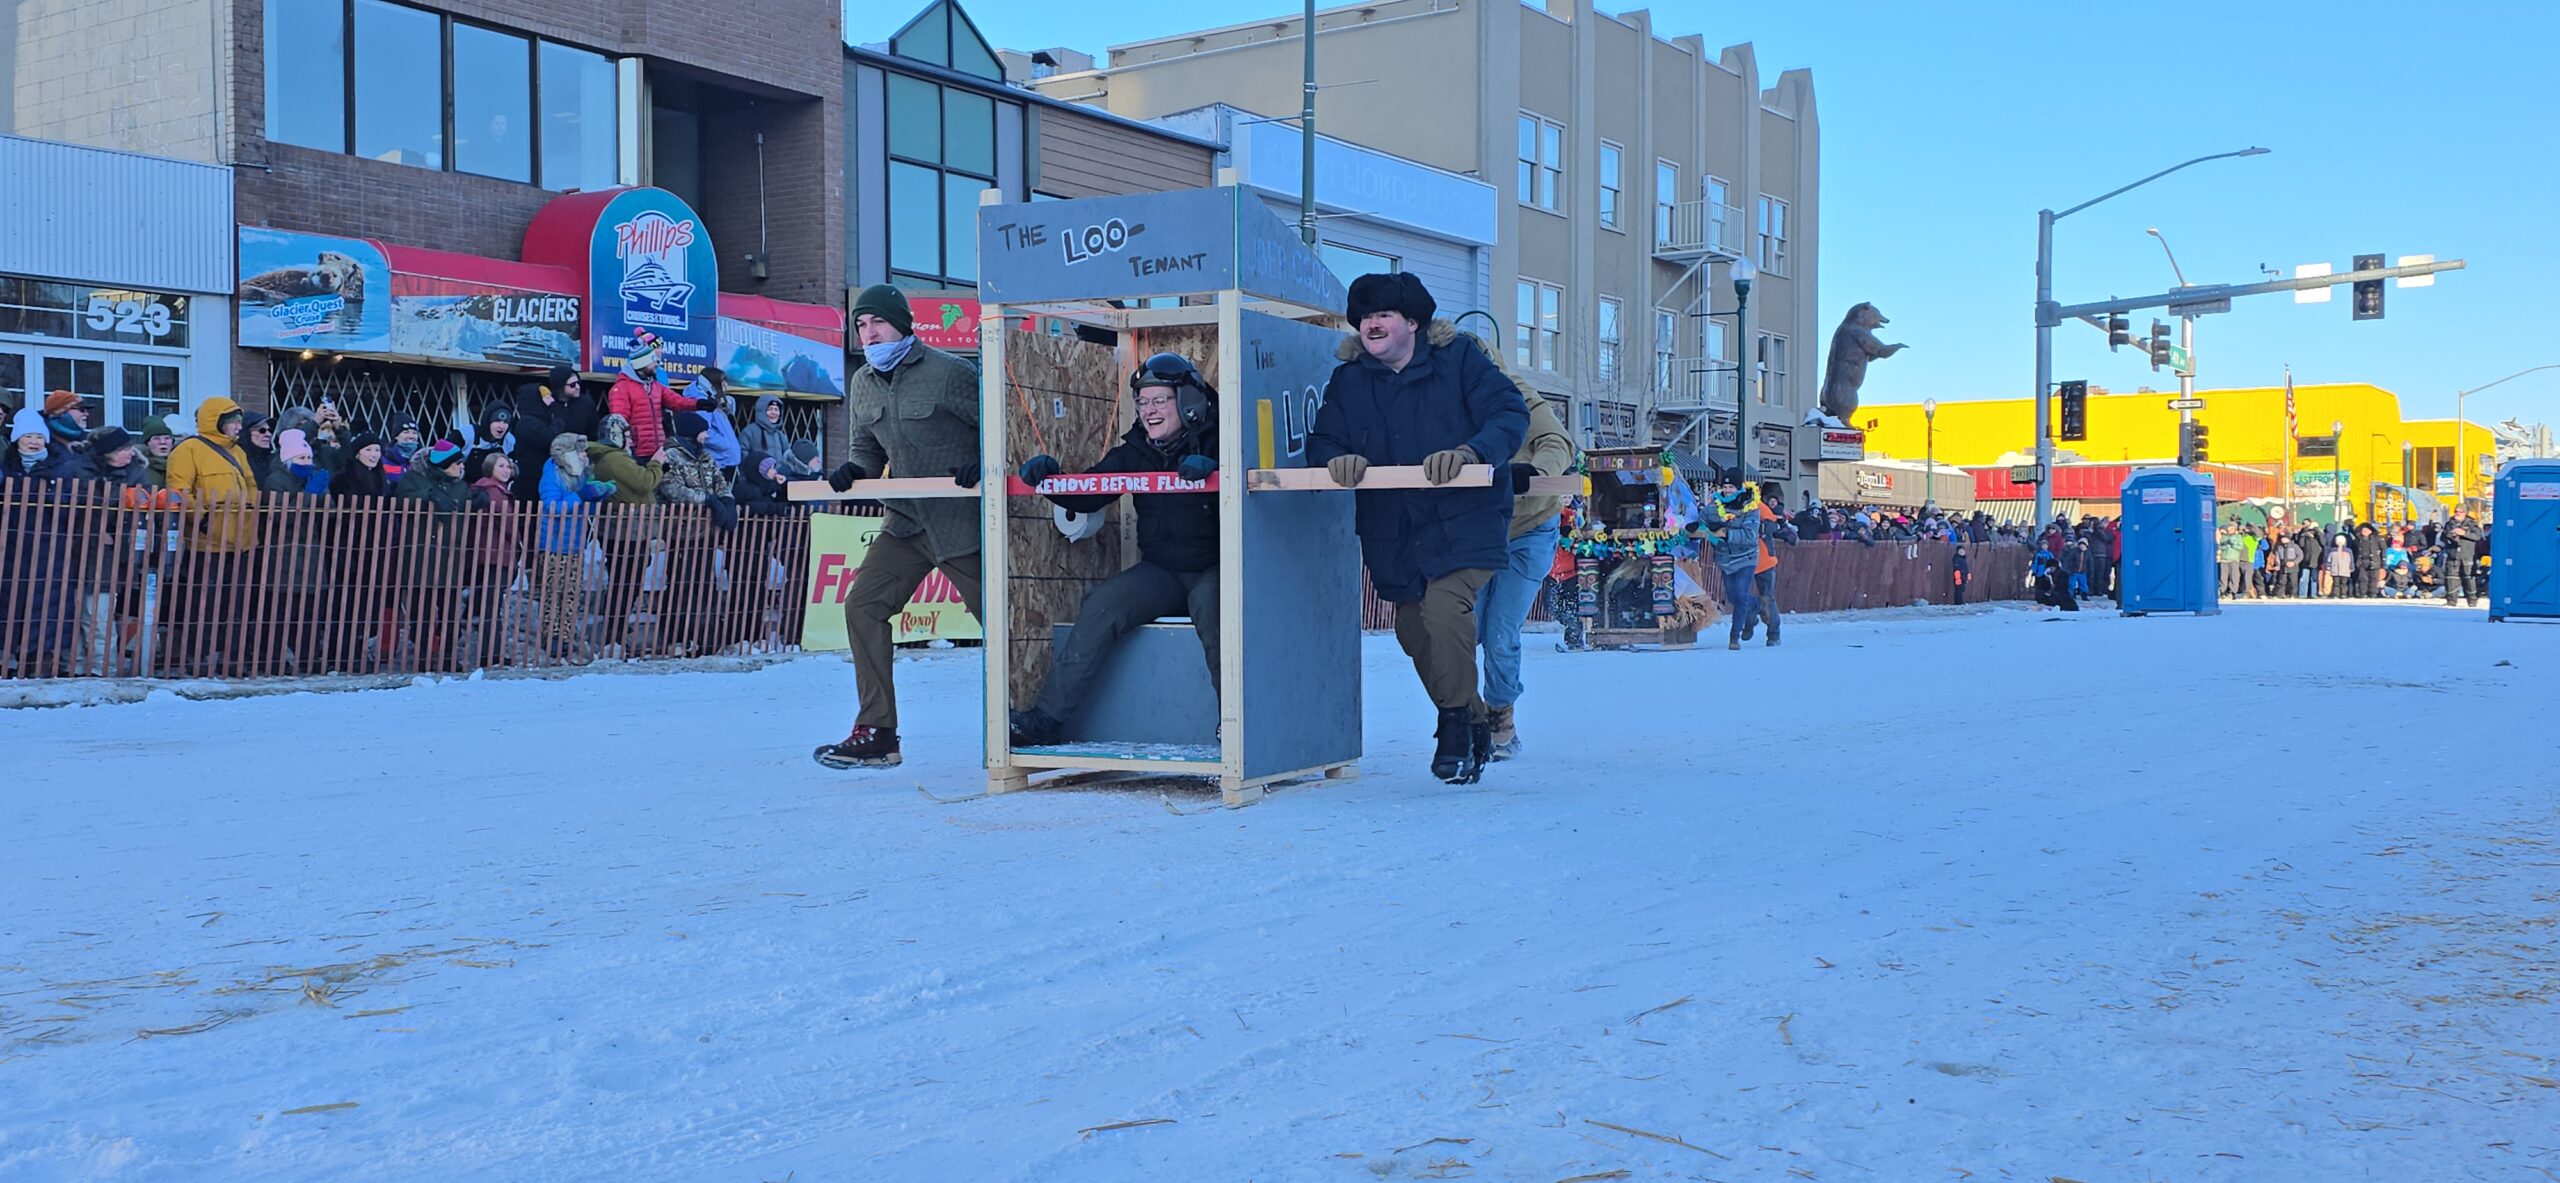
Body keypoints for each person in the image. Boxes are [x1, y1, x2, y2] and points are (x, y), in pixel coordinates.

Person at [1307, 272, 1527, 785]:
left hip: (1464, 522)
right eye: (1364, 317)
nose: (1371, 325)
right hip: (1394, 532)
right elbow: (1323, 440)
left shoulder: (1462, 360)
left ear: (1413, 322)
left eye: (1383, 315)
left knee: (1444, 606)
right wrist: (1336, 459)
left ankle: (1452, 724)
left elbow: (1509, 415)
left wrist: (1471, 452)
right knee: (1411, 626)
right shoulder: (1351, 379)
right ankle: (1473, 717)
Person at [1006, 352, 1224, 748]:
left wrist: (1216, 469)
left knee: (1214, 607)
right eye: (1142, 402)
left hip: (1216, 568)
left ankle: (1235, 721)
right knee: (1103, 604)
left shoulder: (1225, 436)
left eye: (1160, 400)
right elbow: (1090, 494)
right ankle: (1047, 720)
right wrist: (1049, 479)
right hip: (1162, 572)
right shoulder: (1135, 449)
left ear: (1189, 401)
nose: (1149, 411)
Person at [815, 285, 987, 770]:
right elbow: (866, 452)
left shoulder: (950, 372)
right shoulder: (863, 384)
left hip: (959, 525)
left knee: (1000, 621)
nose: (869, 334)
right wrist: (854, 472)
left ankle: (1031, 719)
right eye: (861, 326)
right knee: (863, 605)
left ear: (903, 325)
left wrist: (981, 462)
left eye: (878, 324)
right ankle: (878, 730)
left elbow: (1000, 428)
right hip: (905, 522)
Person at [1458, 330, 1575, 760]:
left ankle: (1501, 717)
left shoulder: (1517, 395)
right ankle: (1465, 717)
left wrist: (1533, 476)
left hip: (1529, 529)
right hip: (1479, 530)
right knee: (1464, 630)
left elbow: (1556, 442)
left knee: (1500, 631)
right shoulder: (1447, 405)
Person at [163, 398, 262, 673]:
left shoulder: (238, 453)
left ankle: (231, 657)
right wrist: (202, 518)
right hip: (208, 542)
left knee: (237, 603)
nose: (238, 427)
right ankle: (198, 656)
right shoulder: (189, 450)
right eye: (233, 421)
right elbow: (180, 490)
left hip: (241, 540)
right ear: (216, 422)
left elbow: (251, 484)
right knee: (204, 604)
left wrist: (250, 512)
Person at [535, 433, 617, 661]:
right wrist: (581, 496)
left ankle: (565, 637)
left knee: (571, 592)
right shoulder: (552, 476)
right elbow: (553, 508)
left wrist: (596, 496)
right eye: (579, 452)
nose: (584, 456)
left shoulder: (579, 475)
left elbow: (583, 511)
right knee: (554, 592)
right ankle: (550, 637)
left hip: (575, 544)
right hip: (553, 544)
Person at [606, 329, 711, 461]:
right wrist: (626, 447)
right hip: (636, 453)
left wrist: (699, 404)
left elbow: (677, 402)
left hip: (658, 451)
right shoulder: (622, 388)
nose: (657, 363)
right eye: (653, 361)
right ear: (642, 364)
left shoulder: (654, 386)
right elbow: (618, 421)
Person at [511, 366, 599, 502]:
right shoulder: (540, 415)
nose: (577, 387)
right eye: (572, 384)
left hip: (578, 462)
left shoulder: (585, 404)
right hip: (547, 468)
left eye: (578, 383)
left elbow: (593, 433)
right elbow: (548, 438)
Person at [1699, 472, 1763, 649]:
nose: (1727, 491)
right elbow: (1702, 520)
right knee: (1733, 597)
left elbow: (1751, 535)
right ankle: (1754, 605)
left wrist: (1727, 534)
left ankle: (1734, 638)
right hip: (1725, 559)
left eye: (1731, 487)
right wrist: (1699, 528)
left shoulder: (1750, 507)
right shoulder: (1714, 506)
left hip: (1746, 557)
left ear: (1739, 488)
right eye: (1725, 487)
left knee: (1741, 594)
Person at [1738, 481, 1784, 646]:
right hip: (1742, 560)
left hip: (1763, 560)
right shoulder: (1730, 508)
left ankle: (1773, 633)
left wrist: (1757, 528)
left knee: (1767, 597)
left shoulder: (1759, 507)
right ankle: (1749, 622)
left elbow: (1773, 525)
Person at [1543, 510, 1587, 652]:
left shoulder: (1573, 517)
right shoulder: (1549, 520)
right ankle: (1571, 624)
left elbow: (1580, 534)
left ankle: (1575, 640)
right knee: (1550, 606)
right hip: (1552, 572)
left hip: (1569, 572)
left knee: (1571, 607)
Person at [684, 368, 742, 473]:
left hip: (721, 461)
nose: (726, 386)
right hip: (716, 463)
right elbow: (704, 431)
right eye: (723, 382)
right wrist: (726, 446)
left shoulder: (710, 399)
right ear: (713, 382)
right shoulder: (702, 402)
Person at [2443, 507, 2483, 607]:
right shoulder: (2449, 524)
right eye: (2456, 511)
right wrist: (2451, 535)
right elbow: (2442, 537)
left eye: (2460, 512)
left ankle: (2472, 601)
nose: (2457, 513)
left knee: (2469, 578)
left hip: (2467, 555)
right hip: (2453, 555)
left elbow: (2477, 536)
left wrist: (2464, 533)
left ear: (2465, 513)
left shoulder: (2472, 524)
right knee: (2451, 578)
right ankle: (2451, 601)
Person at [739, 393, 794, 465]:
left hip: (777, 475)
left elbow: (789, 459)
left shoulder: (781, 436)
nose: (773, 413)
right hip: (755, 476)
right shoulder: (750, 431)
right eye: (770, 409)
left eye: (776, 409)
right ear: (762, 411)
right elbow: (742, 454)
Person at [139, 416, 178, 486]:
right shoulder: (139, 467)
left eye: (167, 438)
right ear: (147, 443)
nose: (162, 442)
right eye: (156, 438)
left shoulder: (183, 463)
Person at [2353, 523, 2385, 599]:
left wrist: (2383, 561)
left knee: (2373, 578)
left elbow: (2383, 549)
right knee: (2362, 578)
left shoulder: (2377, 539)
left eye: (2367, 530)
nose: (2365, 531)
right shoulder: (2357, 539)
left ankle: (2372, 593)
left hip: (2374, 561)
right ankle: (2362, 593)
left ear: (2371, 531)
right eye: (2363, 530)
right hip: (2362, 561)